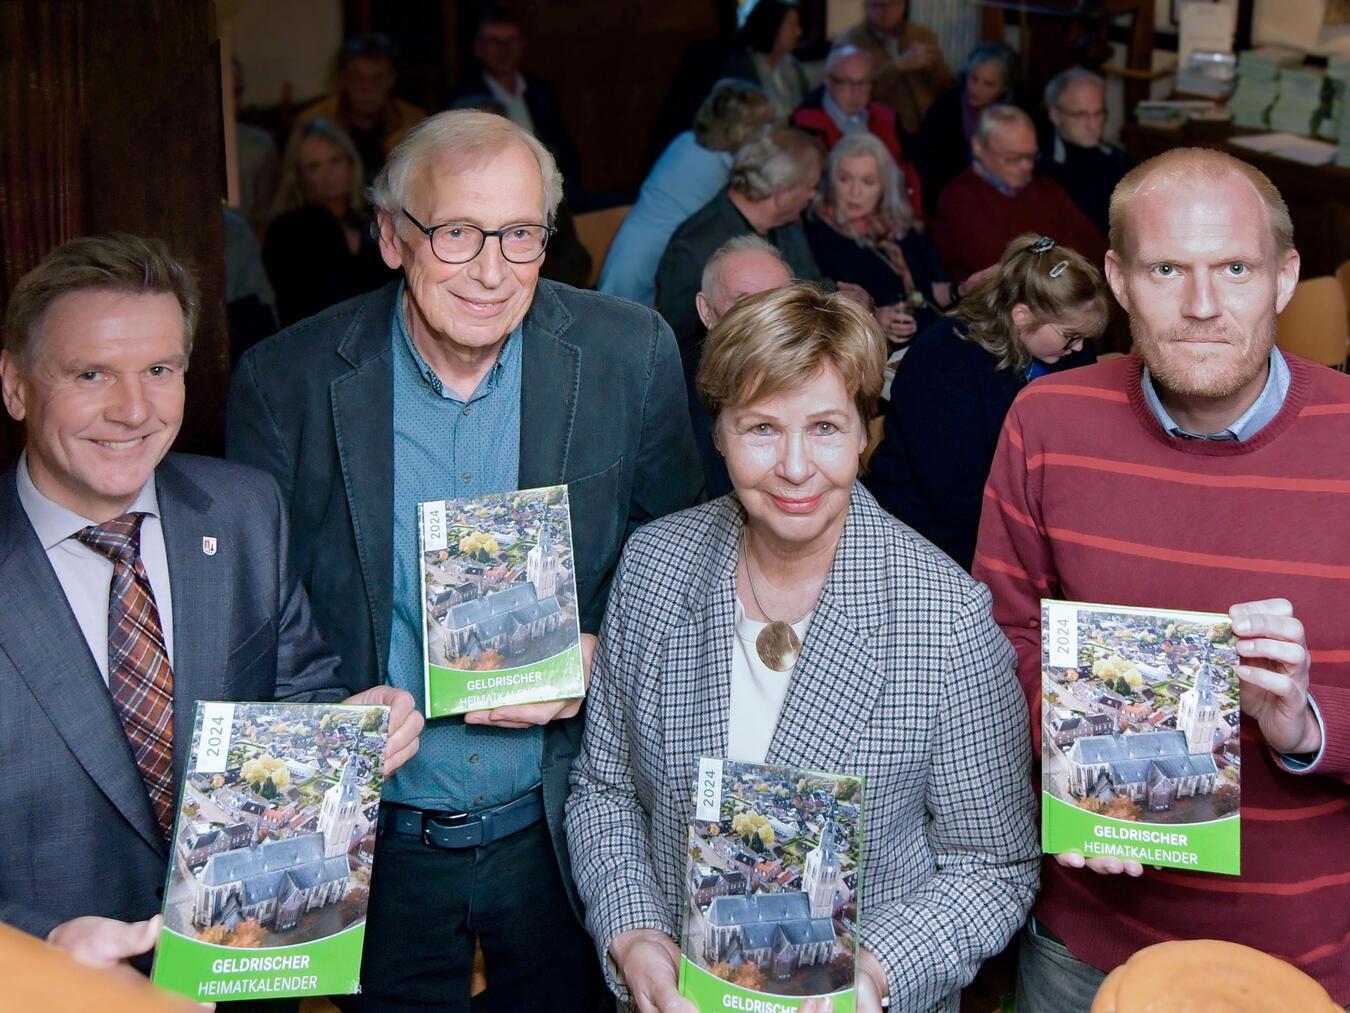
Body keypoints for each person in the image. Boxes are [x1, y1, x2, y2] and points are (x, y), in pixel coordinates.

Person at [227, 109, 703, 1012]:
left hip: (565, 825)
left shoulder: (626, 353)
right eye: (457, 234)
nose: (492, 270)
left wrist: (607, 655)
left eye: (519, 235)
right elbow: (248, 623)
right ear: (392, 238)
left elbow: (685, 573)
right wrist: (323, 718)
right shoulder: (283, 382)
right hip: (381, 837)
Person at [566, 282, 1040, 1013]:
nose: (794, 466)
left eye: (824, 427)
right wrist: (631, 933)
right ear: (718, 431)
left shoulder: (946, 616)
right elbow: (605, 792)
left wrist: (878, 975)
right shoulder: (655, 565)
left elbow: (992, 864)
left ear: (862, 433)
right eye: (761, 428)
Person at [973, 147, 1350, 1010]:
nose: (1204, 304)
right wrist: (1073, 759)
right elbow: (998, 640)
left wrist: (1306, 725)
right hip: (1088, 941)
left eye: (1236, 268)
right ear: (1118, 279)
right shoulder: (1047, 421)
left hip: (1300, 958)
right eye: (1168, 268)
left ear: (1285, 279)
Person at [0, 233, 421, 978]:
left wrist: (345, 734)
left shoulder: (244, 509)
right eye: (92, 372)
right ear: (16, 384)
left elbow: (300, 690)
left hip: (249, 978)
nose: (133, 409)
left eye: (159, 369)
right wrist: (31, 950)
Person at [865, 233, 1104, 570]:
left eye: (1084, 337)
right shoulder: (944, 358)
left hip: (1019, 518)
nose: (1079, 348)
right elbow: (953, 493)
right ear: (1021, 315)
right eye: (1070, 336)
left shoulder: (1067, 353)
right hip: (926, 537)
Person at [655, 125, 822, 361]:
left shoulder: (786, 223)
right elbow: (676, 348)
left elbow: (810, 282)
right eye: (810, 186)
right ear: (781, 193)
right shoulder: (692, 250)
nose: (812, 195)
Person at [599, 79, 772, 306]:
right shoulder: (720, 171)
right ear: (745, 131)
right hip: (649, 263)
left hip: (631, 245)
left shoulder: (685, 142)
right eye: (764, 126)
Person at [804, 131, 948, 348]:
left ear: (884, 186)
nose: (855, 192)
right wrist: (875, 317)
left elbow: (929, 289)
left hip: (925, 341)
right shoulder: (816, 232)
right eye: (844, 179)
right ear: (831, 180)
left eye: (868, 182)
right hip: (862, 349)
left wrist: (962, 290)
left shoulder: (898, 226)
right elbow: (821, 305)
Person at [935, 104, 1105, 283]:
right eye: (1013, 157)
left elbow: (1093, 247)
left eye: (1031, 156)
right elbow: (996, 275)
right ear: (978, 147)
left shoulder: (1046, 188)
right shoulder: (957, 200)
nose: (1027, 166)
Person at [264, 118, 397, 326]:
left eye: (335, 161)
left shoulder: (377, 218)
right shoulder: (287, 231)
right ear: (298, 177)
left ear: (351, 164)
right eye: (314, 166)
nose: (328, 175)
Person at [689, 235, 795, 498]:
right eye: (744, 302)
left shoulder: (818, 380)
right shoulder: (678, 396)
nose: (763, 316)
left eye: (777, 300)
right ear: (706, 311)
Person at [446, 5, 581, 199]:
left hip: (552, 190)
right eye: (494, 42)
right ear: (478, 49)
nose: (504, 50)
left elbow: (565, 150)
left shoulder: (540, 91)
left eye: (512, 41)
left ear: (523, 45)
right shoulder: (464, 99)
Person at [789, 44, 924, 214]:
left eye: (864, 82)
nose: (856, 92)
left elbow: (912, 175)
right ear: (828, 81)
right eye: (847, 82)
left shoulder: (888, 119)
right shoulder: (805, 127)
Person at [294, 33, 425, 182]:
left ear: (392, 79)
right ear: (342, 80)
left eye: (378, 78)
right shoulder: (312, 123)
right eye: (357, 78)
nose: (368, 88)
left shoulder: (415, 123)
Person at [915, 41, 1017, 215]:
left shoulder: (1013, 116)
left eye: (988, 84)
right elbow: (928, 165)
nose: (976, 89)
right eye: (973, 78)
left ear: (1004, 88)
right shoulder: (945, 107)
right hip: (947, 197)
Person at [835, 0, 953, 138]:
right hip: (880, 129)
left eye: (894, 4)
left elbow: (946, 86)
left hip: (929, 125)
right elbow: (849, 95)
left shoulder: (924, 35)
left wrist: (934, 65)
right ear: (866, 6)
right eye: (879, 5)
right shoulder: (849, 42)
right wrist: (896, 67)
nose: (887, 11)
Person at [1040, 67, 1131, 235]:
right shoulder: (1044, 170)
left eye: (1098, 114)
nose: (1093, 125)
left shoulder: (1117, 158)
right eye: (1081, 115)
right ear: (1055, 115)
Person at [720, 0, 809, 123]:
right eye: (792, 25)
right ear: (773, 27)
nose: (799, 32)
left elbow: (806, 109)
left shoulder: (794, 66)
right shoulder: (742, 67)